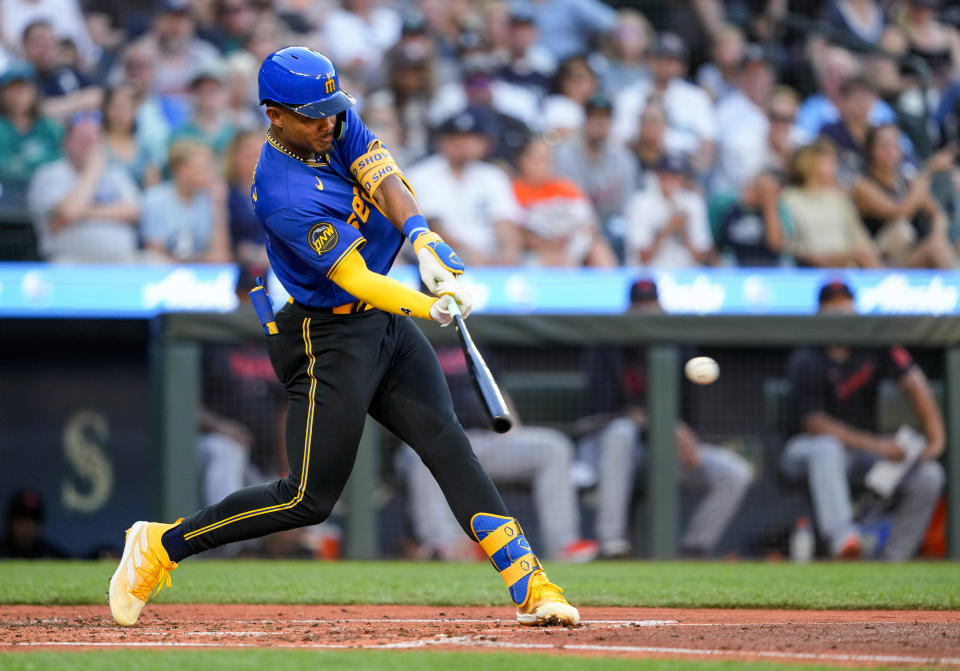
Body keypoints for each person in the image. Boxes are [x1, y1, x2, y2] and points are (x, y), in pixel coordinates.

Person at [109, 47, 580, 629]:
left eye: (332, 111)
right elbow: (353, 278)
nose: (327, 122)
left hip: (381, 319)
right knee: (307, 497)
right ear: (274, 115)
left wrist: (423, 238)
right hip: (323, 334)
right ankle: (159, 545)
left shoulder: (333, 120)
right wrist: (428, 303)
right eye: (311, 116)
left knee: (447, 442)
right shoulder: (280, 190)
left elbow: (386, 178)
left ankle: (532, 587)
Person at [586, 278, 753, 558]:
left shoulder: (679, 346)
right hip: (617, 455)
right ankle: (611, 541)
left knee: (735, 472)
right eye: (640, 306)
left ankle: (694, 548)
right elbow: (608, 410)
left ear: (661, 306)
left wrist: (683, 435)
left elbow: (688, 415)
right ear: (629, 309)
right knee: (621, 432)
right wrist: (665, 427)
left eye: (651, 304)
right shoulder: (608, 345)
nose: (647, 311)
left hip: (665, 452)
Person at [781, 280, 945, 560]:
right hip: (805, 452)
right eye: (833, 308)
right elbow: (816, 424)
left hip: (864, 454)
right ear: (820, 314)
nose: (841, 314)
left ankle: (895, 561)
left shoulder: (873, 344)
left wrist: (936, 440)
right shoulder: (806, 356)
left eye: (846, 306)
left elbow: (915, 384)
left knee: (929, 475)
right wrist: (880, 446)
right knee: (827, 447)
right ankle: (844, 541)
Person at [404, 345, 599, 562]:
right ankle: (444, 547)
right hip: (438, 441)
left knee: (554, 447)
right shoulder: (408, 343)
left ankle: (564, 545)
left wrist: (512, 430)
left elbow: (498, 394)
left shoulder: (473, 345)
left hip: (488, 440)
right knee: (419, 453)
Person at [406, 108, 524, 267]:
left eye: (470, 139)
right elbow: (431, 226)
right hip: (436, 260)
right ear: (442, 142)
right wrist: (468, 255)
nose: (463, 145)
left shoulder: (492, 175)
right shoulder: (420, 175)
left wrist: (509, 253)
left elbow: (505, 220)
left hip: (489, 260)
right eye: (456, 139)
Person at [27, 111, 142, 262]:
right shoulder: (48, 174)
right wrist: (91, 172)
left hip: (122, 262)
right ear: (66, 142)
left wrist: (83, 212)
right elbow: (69, 212)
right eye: (83, 140)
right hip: (68, 262)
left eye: (94, 140)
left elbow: (133, 211)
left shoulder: (116, 174)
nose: (90, 146)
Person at [851, 124, 956, 268]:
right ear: (871, 150)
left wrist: (937, 235)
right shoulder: (862, 184)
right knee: (935, 248)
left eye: (895, 144)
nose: (891, 151)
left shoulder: (908, 179)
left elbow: (938, 214)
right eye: (884, 146)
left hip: (913, 253)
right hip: (883, 262)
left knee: (939, 245)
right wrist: (927, 173)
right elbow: (899, 212)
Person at [613, 33, 717, 175]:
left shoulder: (696, 98)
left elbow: (708, 143)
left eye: (673, 60)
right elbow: (619, 141)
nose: (666, 65)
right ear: (650, 60)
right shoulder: (629, 96)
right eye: (660, 58)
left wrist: (693, 172)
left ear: (682, 65)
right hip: (639, 168)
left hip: (684, 172)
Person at [553, 92, 637, 260]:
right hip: (573, 224)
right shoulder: (564, 155)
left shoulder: (623, 159)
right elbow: (562, 200)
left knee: (621, 231)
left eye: (605, 118)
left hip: (609, 223)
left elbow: (626, 207)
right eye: (594, 117)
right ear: (585, 120)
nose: (599, 123)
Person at [512, 135, 616, 267]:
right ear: (521, 160)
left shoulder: (567, 188)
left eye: (547, 159)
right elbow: (514, 232)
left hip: (572, 245)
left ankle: (608, 286)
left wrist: (573, 243)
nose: (543, 165)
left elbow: (590, 224)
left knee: (599, 250)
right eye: (537, 159)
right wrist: (547, 245)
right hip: (533, 251)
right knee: (558, 261)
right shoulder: (510, 190)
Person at [780, 140, 883, 268]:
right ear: (810, 163)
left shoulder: (839, 198)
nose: (835, 167)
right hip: (810, 263)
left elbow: (860, 238)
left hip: (847, 261)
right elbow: (786, 243)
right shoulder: (789, 198)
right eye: (830, 162)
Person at [140, 140, 232, 263]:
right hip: (166, 272)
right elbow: (155, 254)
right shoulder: (154, 199)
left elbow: (221, 256)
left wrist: (218, 205)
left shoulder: (212, 199)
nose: (209, 173)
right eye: (202, 167)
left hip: (202, 272)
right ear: (181, 169)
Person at [624, 153, 716, 268]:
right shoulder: (640, 203)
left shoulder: (694, 202)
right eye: (666, 175)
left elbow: (702, 258)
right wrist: (666, 229)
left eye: (677, 176)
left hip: (687, 276)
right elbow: (642, 257)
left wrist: (684, 231)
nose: (671, 181)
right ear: (657, 176)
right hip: (650, 276)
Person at [0, 63, 63, 208]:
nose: (18, 95)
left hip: (47, 196)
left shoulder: (49, 127)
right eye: (12, 90)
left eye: (23, 89)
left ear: (34, 91)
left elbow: (63, 159)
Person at [20, 20, 103, 123]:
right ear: (25, 45)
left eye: (50, 42)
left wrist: (62, 106)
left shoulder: (67, 71)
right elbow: (39, 112)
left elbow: (98, 95)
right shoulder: (20, 78)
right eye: (39, 42)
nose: (46, 47)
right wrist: (80, 101)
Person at [715, 171, 790, 267]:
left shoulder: (779, 211)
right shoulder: (732, 210)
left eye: (759, 189)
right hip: (737, 265)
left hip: (770, 265)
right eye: (751, 186)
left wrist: (769, 204)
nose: (752, 192)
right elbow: (721, 247)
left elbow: (775, 245)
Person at [101, 83, 162, 188]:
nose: (120, 112)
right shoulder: (96, 145)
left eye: (126, 106)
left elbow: (153, 189)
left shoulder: (145, 146)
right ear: (106, 109)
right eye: (116, 106)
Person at [0, 489, 68, 559]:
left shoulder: (53, 557)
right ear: (10, 523)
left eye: (32, 522)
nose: (26, 527)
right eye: (21, 521)